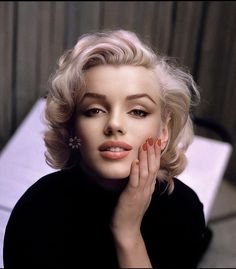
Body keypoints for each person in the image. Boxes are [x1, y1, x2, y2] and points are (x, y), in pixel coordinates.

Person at [3, 29, 207, 268]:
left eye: (138, 111)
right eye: (94, 110)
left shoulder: (184, 208)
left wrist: (128, 235)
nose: (114, 124)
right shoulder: (35, 213)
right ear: (72, 128)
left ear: (163, 130)